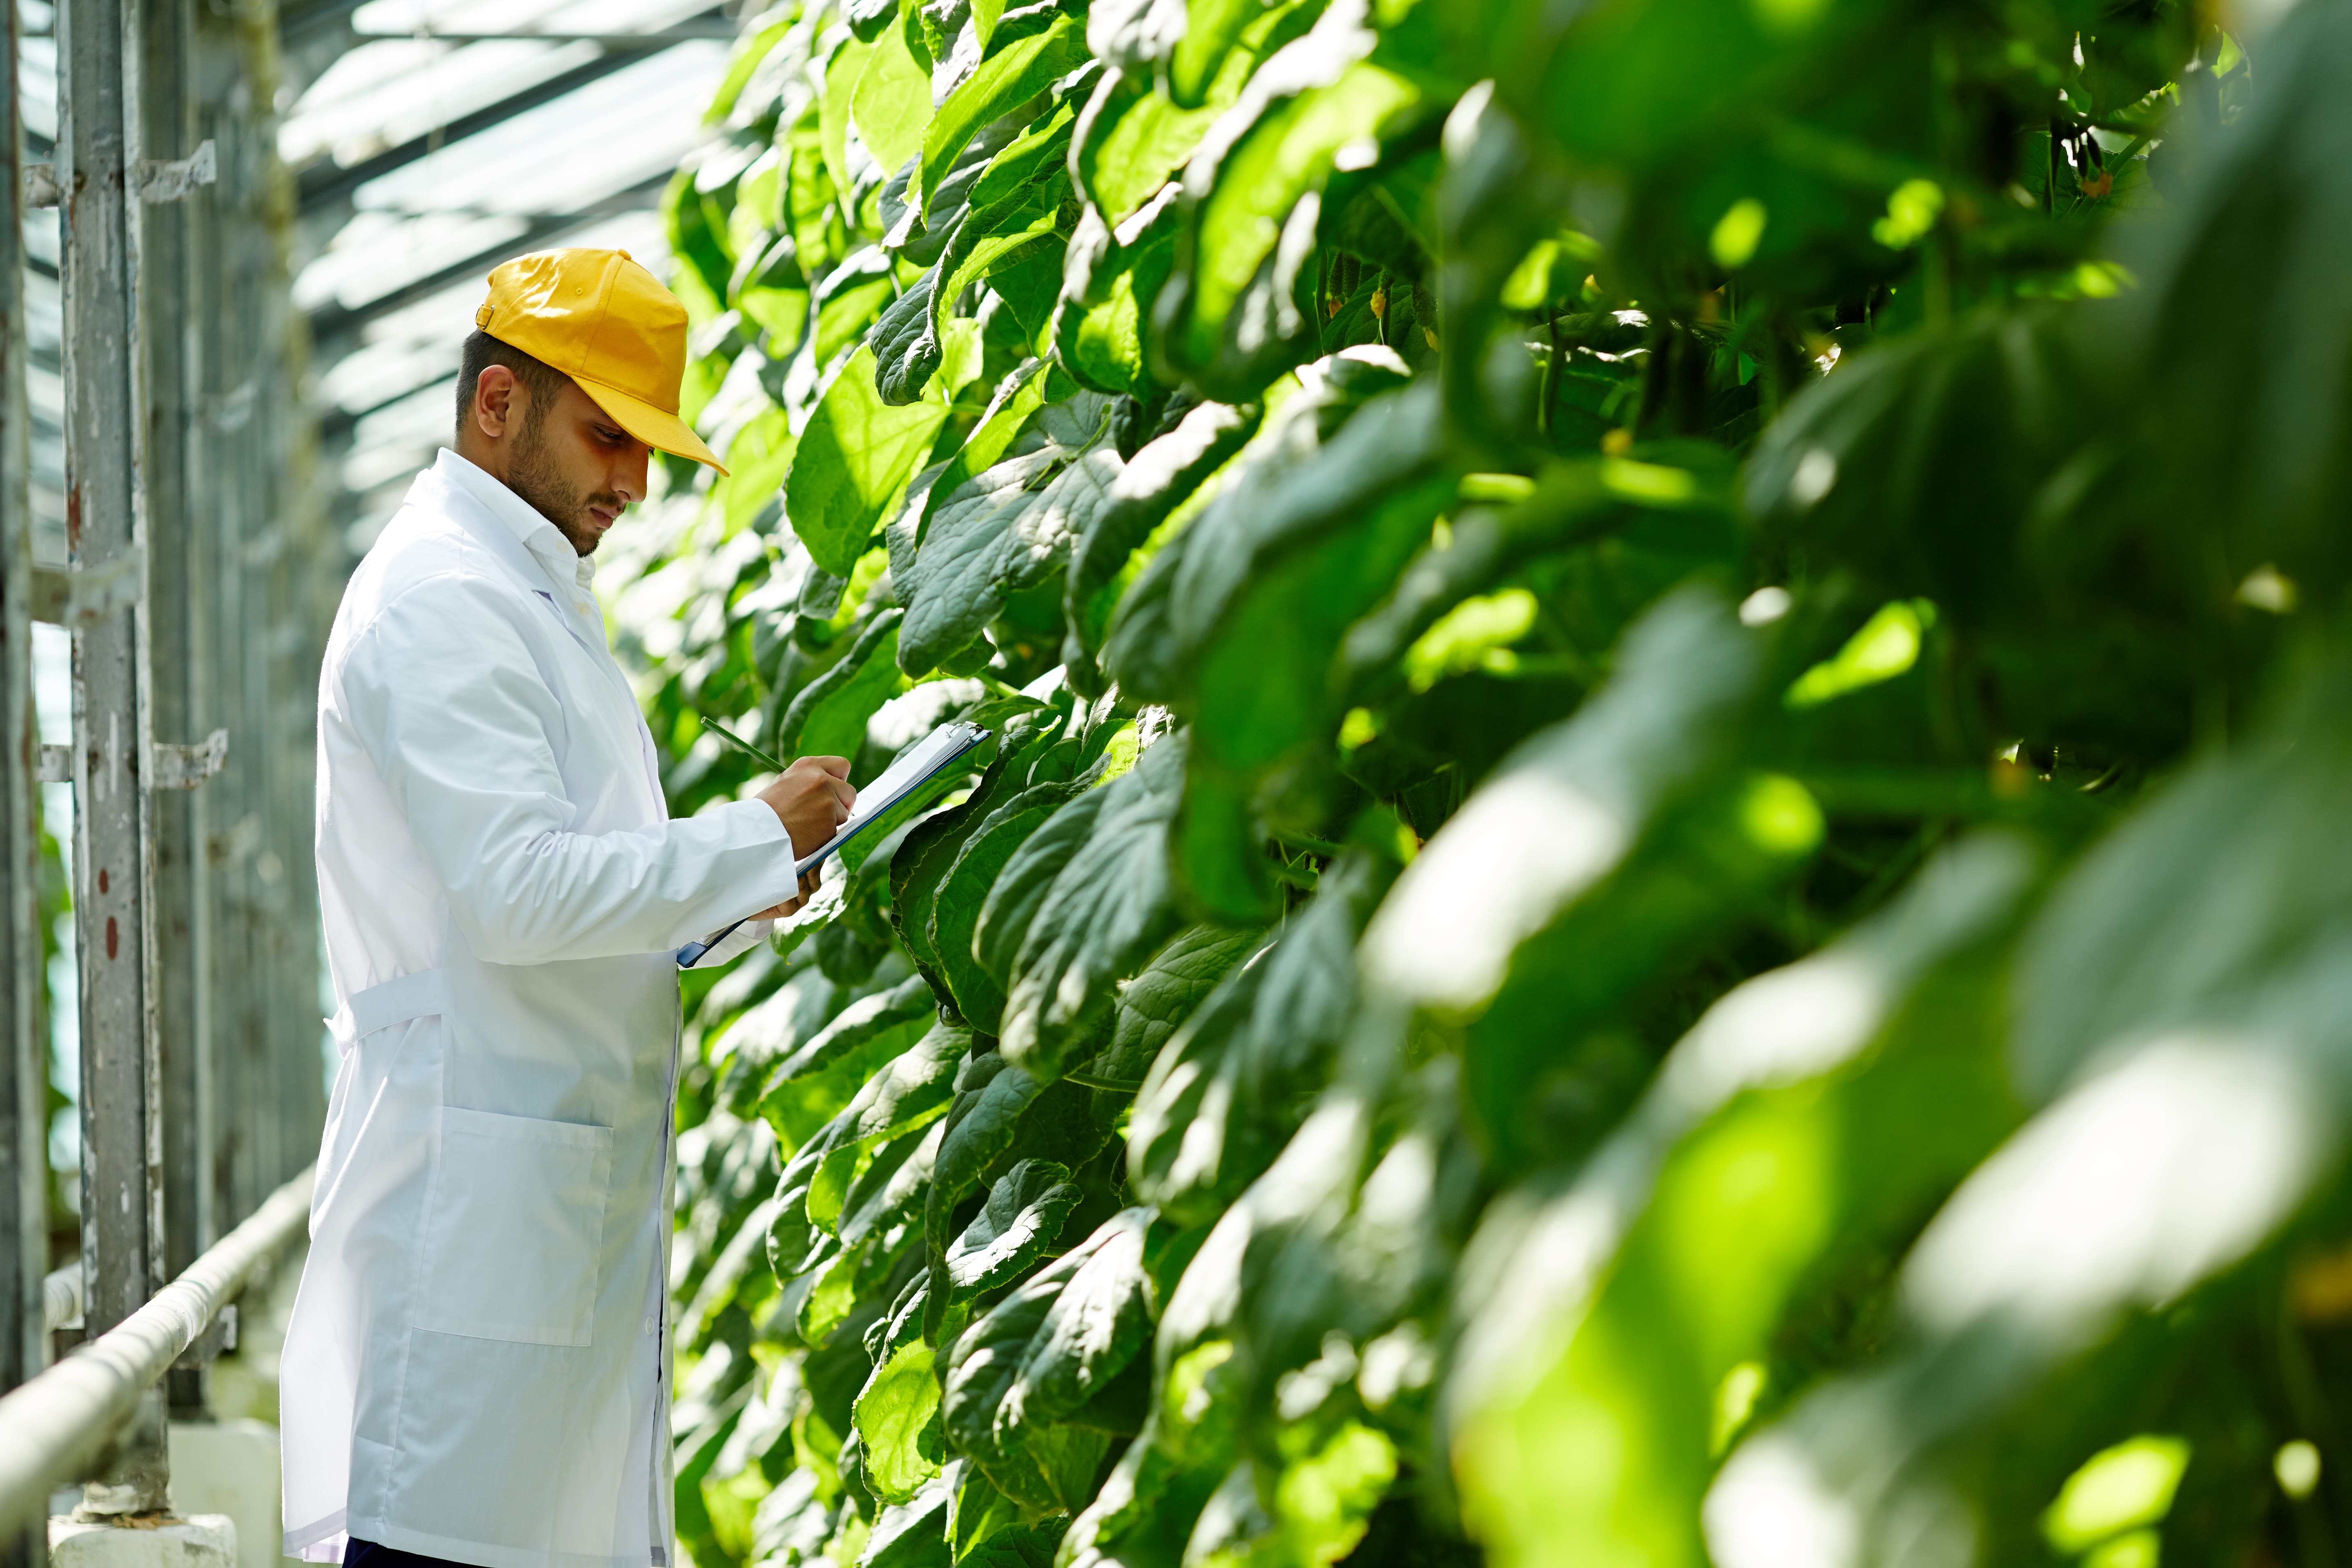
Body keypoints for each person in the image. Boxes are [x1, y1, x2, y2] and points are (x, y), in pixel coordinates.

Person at [280, 248, 847, 1568]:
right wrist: (749, 837)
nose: (634, 484)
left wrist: (747, 887)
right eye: (609, 436)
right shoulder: (443, 601)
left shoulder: (516, 591)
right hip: (469, 1235)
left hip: (531, 1213)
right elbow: (519, 893)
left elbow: (558, 896)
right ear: (497, 406)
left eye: (649, 447)